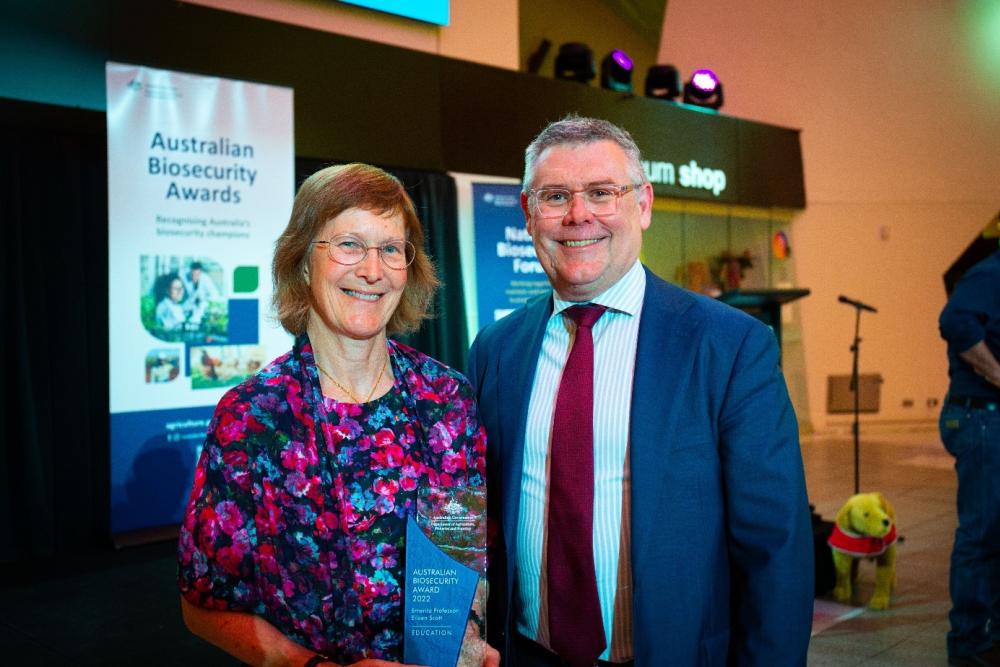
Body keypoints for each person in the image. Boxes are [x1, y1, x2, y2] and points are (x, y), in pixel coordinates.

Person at [467, 116, 814, 666]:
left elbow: (775, 548)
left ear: (643, 205)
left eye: (602, 192)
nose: (579, 214)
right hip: (526, 653)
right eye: (556, 196)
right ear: (530, 214)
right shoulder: (497, 350)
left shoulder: (729, 347)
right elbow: (483, 522)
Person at [178, 163, 499, 667]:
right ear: (304, 262)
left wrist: (468, 638)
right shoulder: (251, 417)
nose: (372, 270)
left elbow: (459, 550)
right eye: (349, 245)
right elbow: (202, 604)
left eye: (390, 249)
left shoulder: (446, 399)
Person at [938, 247, 1000, 667]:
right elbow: (954, 321)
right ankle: (969, 644)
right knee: (982, 534)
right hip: (980, 417)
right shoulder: (991, 273)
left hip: (987, 417)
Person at [182, 260, 221, 326]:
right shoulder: (185, 278)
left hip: (203, 302)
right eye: (192, 274)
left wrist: (204, 299)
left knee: (200, 311)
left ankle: (194, 325)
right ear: (190, 271)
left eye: (197, 274)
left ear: (200, 273)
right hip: (190, 303)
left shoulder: (206, 279)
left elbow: (215, 294)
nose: (194, 277)